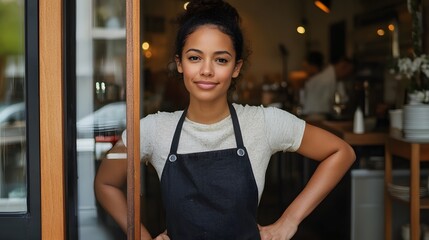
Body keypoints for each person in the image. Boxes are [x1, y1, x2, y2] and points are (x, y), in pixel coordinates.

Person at [94, 1, 356, 239]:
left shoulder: (264, 123)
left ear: (236, 67)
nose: (206, 70)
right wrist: (141, 237)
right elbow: (106, 183)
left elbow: (341, 152)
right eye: (195, 57)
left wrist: (290, 220)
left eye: (221, 59)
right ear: (180, 63)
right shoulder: (152, 129)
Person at [301, 51, 354, 119]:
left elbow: (343, 100)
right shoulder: (324, 79)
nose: (348, 75)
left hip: (319, 116)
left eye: (306, 67)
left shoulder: (331, 77)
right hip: (316, 117)